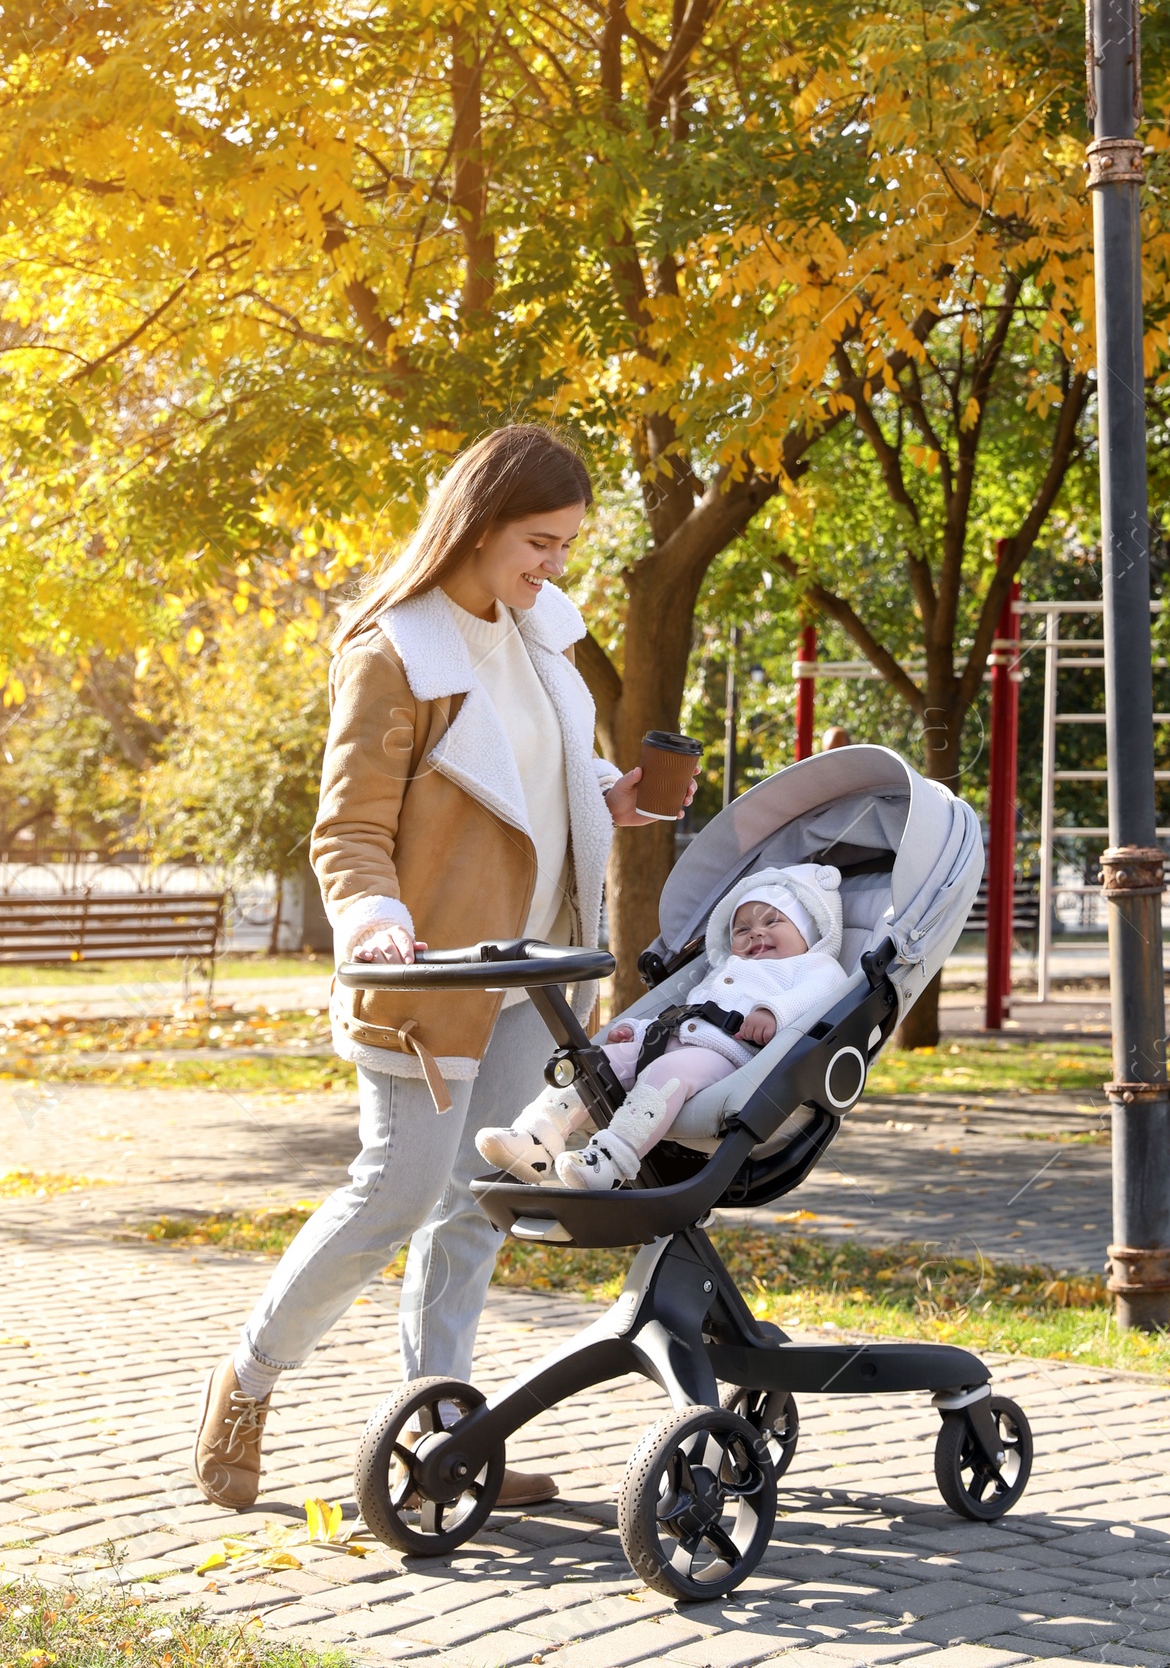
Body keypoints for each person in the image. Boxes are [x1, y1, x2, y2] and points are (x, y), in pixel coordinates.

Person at [192, 424, 688, 1511]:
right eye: (540, 542)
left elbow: (537, 774)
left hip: (536, 972)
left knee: (479, 1202)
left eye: (564, 547)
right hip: (430, 976)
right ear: (479, 523)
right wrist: (371, 917)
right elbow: (347, 831)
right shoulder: (394, 652)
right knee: (397, 1191)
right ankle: (249, 1376)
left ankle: (444, 1439)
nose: (554, 567)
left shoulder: (537, 634)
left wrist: (610, 793)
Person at [476, 862, 847, 1191]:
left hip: (728, 1056)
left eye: (773, 921)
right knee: (596, 1061)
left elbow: (820, 997)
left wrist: (773, 1013)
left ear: (809, 933)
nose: (755, 933)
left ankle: (611, 1159)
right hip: (671, 1037)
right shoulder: (724, 970)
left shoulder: (815, 967)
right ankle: (536, 1137)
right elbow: (688, 1009)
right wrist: (638, 1032)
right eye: (742, 928)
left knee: (670, 1072)